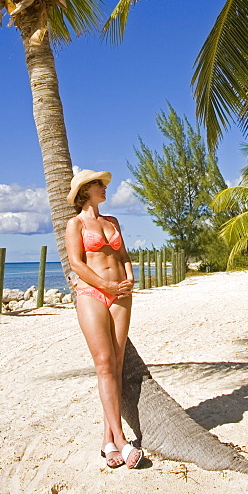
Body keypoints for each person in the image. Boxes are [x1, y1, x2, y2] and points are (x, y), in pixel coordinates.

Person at [64, 169, 143, 470]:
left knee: (118, 364)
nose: (104, 188)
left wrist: (130, 277)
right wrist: (106, 285)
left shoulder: (112, 222)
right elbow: (76, 263)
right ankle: (121, 440)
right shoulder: (76, 224)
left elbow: (122, 255)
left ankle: (107, 441)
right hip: (92, 294)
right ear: (86, 190)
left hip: (121, 293)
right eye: (99, 184)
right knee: (103, 363)